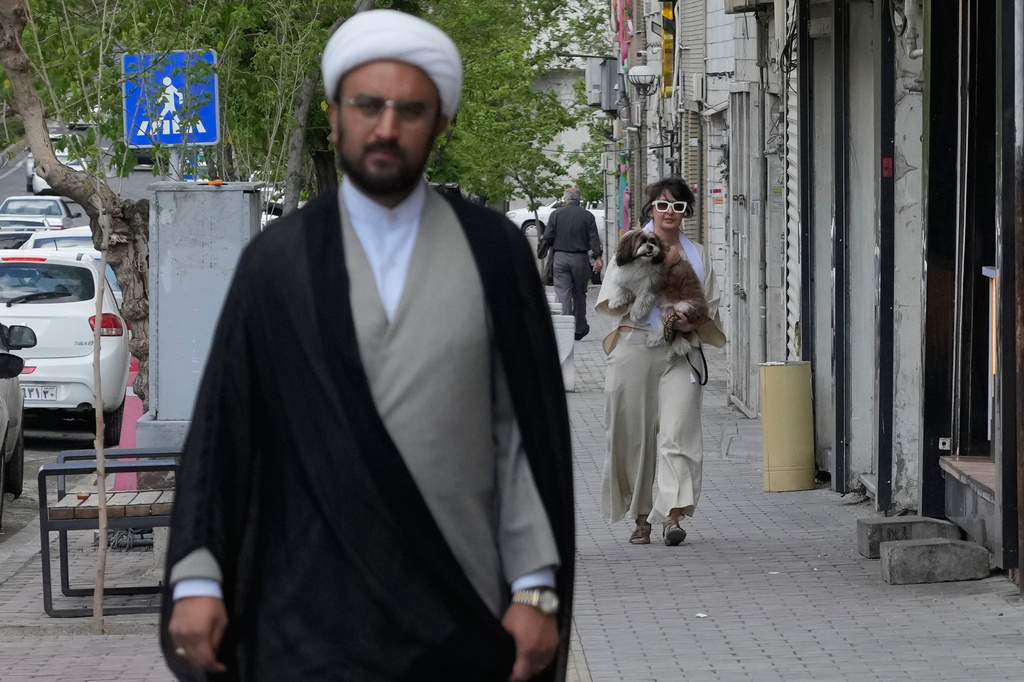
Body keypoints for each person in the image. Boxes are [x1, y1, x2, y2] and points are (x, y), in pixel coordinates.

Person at [160, 10, 575, 682]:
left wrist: (534, 590)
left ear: (441, 122)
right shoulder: (278, 260)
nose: (386, 127)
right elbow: (227, 428)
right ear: (334, 116)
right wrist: (199, 579)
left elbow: (519, 436)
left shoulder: (493, 252)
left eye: (410, 109)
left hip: (460, 608)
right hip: (304, 611)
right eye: (367, 105)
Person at [596, 177, 726, 546]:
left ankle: (672, 516)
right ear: (651, 207)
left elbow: (708, 303)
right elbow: (615, 297)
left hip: (681, 349)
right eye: (662, 205)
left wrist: (691, 320)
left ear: (687, 212)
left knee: (678, 433)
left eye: (678, 206)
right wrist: (653, 272)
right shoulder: (632, 242)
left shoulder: (697, 253)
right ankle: (641, 518)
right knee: (632, 436)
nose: (670, 212)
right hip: (635, 346)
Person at [541, 188, 603, 340]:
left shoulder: (556, 214)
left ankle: (565, 327)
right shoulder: (587, 216)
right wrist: (597, 257)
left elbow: (548, 236)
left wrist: (542, 250)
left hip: (560, 258)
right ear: (579, 199)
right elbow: (593, 238)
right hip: (580, 259)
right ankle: (579, 328)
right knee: (579, 294)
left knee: (563, 293)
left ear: (565, 199)